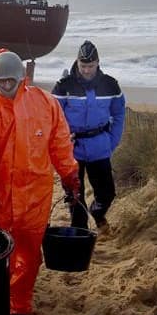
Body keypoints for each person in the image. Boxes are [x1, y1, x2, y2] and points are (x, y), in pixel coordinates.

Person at [0, 49, 80, 315]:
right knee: (0, 254)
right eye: (0, 81)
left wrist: (70, 175)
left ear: (22, 78)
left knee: (29, 253)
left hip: (36, 196)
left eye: (10, 81)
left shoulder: (46, 104)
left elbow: (60, 143)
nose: (5, 87)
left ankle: (20, 306)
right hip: (0, 198)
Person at [52, 40, 125, 231]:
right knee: (75, 198)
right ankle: (81, 235)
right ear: (77, 62)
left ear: (98, 62)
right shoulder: (63, 86)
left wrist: (112, 141)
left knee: (107, 194)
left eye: (90, 66)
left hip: (100, 146)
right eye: (83, 66)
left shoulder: (111, 85)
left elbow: (118, 114)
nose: (86, 70)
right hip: (71, 150)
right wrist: (62, 140)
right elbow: (52, 117)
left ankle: (98, 213)